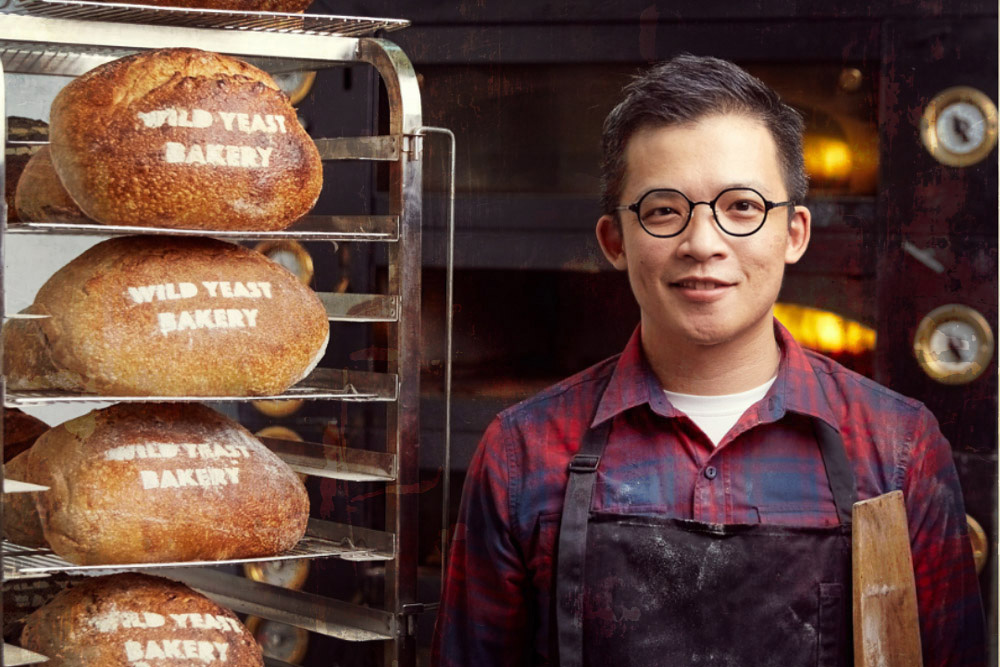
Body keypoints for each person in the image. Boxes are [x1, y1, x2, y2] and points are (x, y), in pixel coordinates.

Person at [431, 54, 986, 666]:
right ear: (614, 241)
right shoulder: (523, 452)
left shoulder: (899, 448)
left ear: (794, 233)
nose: (702, 243)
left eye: (742, 207)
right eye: (663, 210)